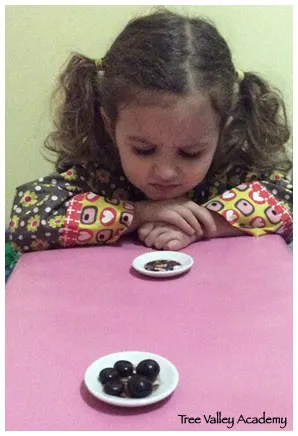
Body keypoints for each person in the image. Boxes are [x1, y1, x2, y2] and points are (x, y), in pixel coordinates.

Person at [8, 9, 293, 254]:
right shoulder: (100, 175)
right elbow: (27, 219)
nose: (166, 172)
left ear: (222, 129)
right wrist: (140, 214)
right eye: (143, 150)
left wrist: (204, 223)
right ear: (110, 125)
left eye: (190, 152)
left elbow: (288, 198)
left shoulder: (228, 171)